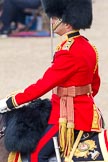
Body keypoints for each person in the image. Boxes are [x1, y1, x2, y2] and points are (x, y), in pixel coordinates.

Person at [0, 0, 102, 161]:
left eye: (55, 18)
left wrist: (10, 102)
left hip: (69, 117)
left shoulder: (68, 52)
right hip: (87, 111)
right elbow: (94, 85)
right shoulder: (89, 47)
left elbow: (42, 86)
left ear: (67, 23)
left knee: (37, 155)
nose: (52, 21)